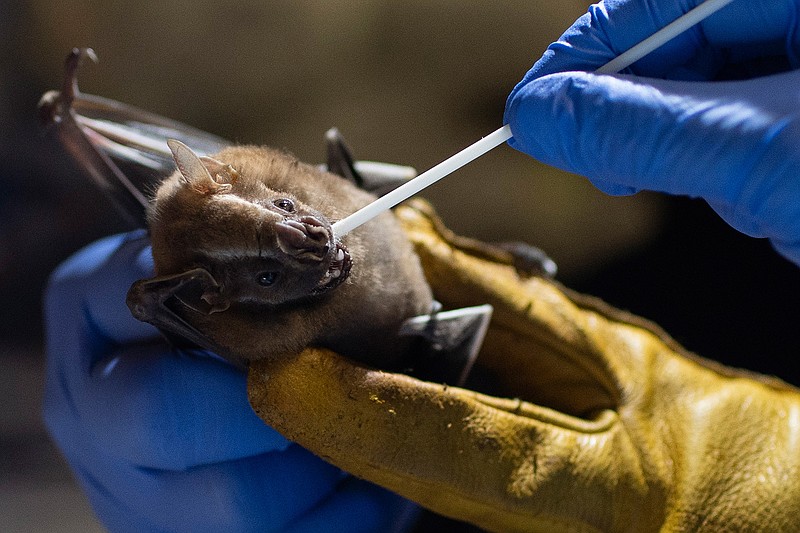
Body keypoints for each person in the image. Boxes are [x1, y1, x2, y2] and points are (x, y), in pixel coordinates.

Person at [44, 0, 800, 531]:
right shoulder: (241, 303)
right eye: (274, 274)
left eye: (284, 213)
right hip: (438, 333)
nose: (302, 242)